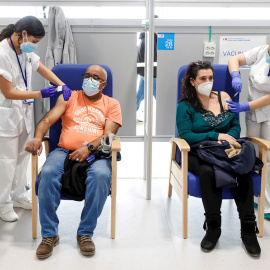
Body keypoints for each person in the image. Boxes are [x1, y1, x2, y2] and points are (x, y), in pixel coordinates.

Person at [25, 65, 122, 259]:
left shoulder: (111, 103)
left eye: (95, 77)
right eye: (87, 76)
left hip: (96, 153)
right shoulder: (69, 97)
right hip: (63, 150)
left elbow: (109, 136)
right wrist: (37, 137)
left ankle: (85, 233)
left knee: (102, 176)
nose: (90, 80)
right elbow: (46, 120)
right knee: (48, 173)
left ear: (103, 84)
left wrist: (89, 148)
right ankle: (49, 235)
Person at [176, 61, 261, 257]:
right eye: (202, 78)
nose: (208, 82)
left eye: (210, 78)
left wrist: (229, 138)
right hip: (199, 151)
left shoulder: (224, 98)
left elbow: (235, 125)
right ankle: (213, 227)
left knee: (244, 171)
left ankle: (248, 229)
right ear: (192, 81)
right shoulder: (185, 105)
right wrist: (216, 136)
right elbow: (186, 135)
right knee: (207, 172)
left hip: (226, 149)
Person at [0, 16, 72, 223]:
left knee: (23, 157)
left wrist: (62, 84)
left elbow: (42, 68)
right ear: (23, 34)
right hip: (6, 115)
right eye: (36, 41)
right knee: (6, 162)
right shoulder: (2, 53)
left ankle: (18, 195)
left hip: (23, 114)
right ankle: (3, 203)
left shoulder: (25, 49)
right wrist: (40, 94)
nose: (36, 46)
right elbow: (9, 92)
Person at [227, 46, 270, 221]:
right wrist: (235, 75)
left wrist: (245, 107)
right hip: (253, 111)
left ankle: (267, 204)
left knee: (268, 158)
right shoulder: (261, 51)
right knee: (251, 154)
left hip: (268, 111)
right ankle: (253, 194)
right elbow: (234, 59)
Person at [136, 16, 158, 115]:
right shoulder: (150, 38)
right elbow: (154, 57)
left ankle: (130, 115)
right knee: (159, 96)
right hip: (151, 73)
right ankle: (166, 119)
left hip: (144, 72)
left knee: (140, 95)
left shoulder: (145, 37)